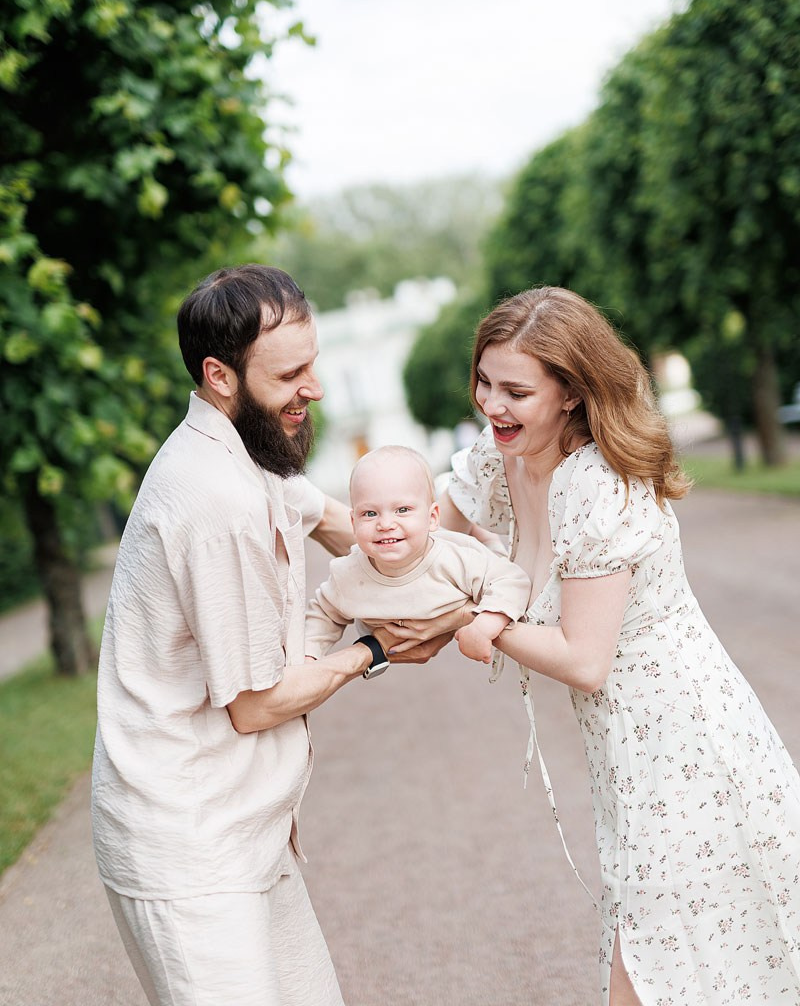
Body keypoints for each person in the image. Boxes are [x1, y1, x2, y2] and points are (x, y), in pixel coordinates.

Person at [426, 285, 800, 1005]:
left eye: (515, 391)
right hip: (624, 761)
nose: (491, 405)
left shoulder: (599, 485)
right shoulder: (501, 453)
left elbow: (585, 660)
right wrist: (313, 517)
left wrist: (486, 620)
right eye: (484, 382)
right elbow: (418, 539)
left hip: (689, 752)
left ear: (569, 393)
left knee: (662, 975)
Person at [91, 265, 444, 1006]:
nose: (313, 388)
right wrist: (376, 648)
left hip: (251, 828)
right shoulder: (212, 499)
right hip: (190, 851)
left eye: (312, 363)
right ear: (220, 376)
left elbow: (350, 528)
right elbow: (254, 706)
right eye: (290, 374)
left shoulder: (253, 453)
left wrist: (463, 572)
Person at [304, 445, 531, 661]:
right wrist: (309, 655)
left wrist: (484, 626)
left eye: (402, 510)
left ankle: (481, 531)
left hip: (458, 563)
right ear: (353, 522)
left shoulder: (456, 558)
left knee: (493, 556)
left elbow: (512, 580)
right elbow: (324, 613)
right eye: (370, 513)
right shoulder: (347, 573)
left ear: (432, 518)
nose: (385, 524)